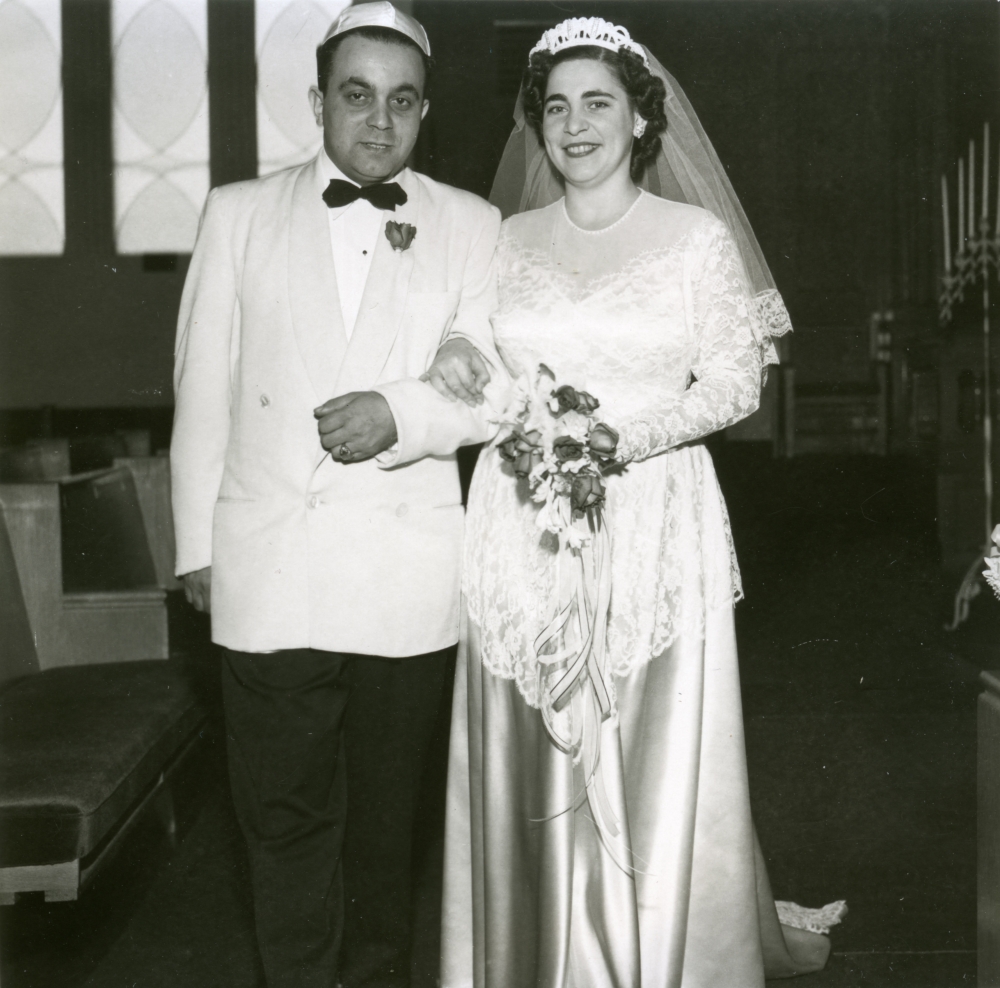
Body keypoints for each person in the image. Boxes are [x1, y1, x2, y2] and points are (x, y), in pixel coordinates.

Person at [425, 17, 844, 987]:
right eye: (557, 105)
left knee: (647, 746)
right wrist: (459, 364)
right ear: (536, 122)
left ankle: (659, 957)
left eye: (598, 103)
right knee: (533, 745)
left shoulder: (693, 240)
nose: (575, 125)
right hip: (521, 517)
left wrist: (623, 438)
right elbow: (479, 364)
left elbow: (735, 385)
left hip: (655, 511)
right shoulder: (503, 238)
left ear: (642, 120)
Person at [170, 5, 501, 986]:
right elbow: (202, 391)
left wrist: (399, 413)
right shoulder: (237, 214)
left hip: (404, 574)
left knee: (381, 843)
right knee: (283, 828)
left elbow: (489, 383)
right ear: (317, 101)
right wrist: (197, 545)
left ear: (425, 112)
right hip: (271, 568)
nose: (378, 120)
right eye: (356, 96)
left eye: (401, 102)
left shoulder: (470, 227)